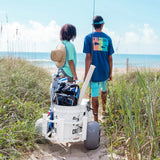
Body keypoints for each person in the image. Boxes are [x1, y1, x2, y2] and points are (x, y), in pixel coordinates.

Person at [83, 15, 114, 122]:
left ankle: (96, 118)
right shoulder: (108, 38)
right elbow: (110, 58)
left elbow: (88, 57)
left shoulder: (88, 38)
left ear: (92, 25)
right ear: (102, 25)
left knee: (94, 95)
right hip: (105, 71)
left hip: (93, 73)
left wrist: (87, 74)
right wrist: (110, 73)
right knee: (104, 90)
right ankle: (104, 110)